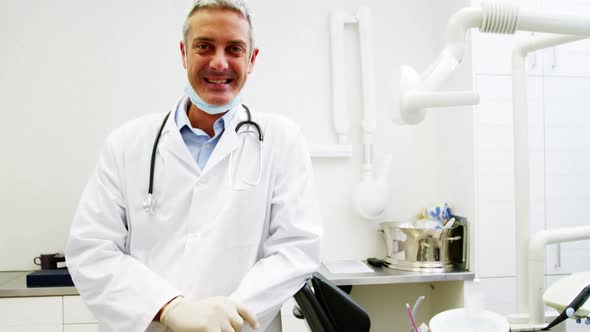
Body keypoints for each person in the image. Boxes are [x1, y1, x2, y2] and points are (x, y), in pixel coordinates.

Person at [65, 1, 322, 331]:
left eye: (234, 49)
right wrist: (168, 308)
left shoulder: (281, 140)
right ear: (184, 53)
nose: (219, 62)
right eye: (204, 46)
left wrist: (225, 318)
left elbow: (296, 250)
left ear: (251, 59)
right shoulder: (126, 144)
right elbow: (91, 250)